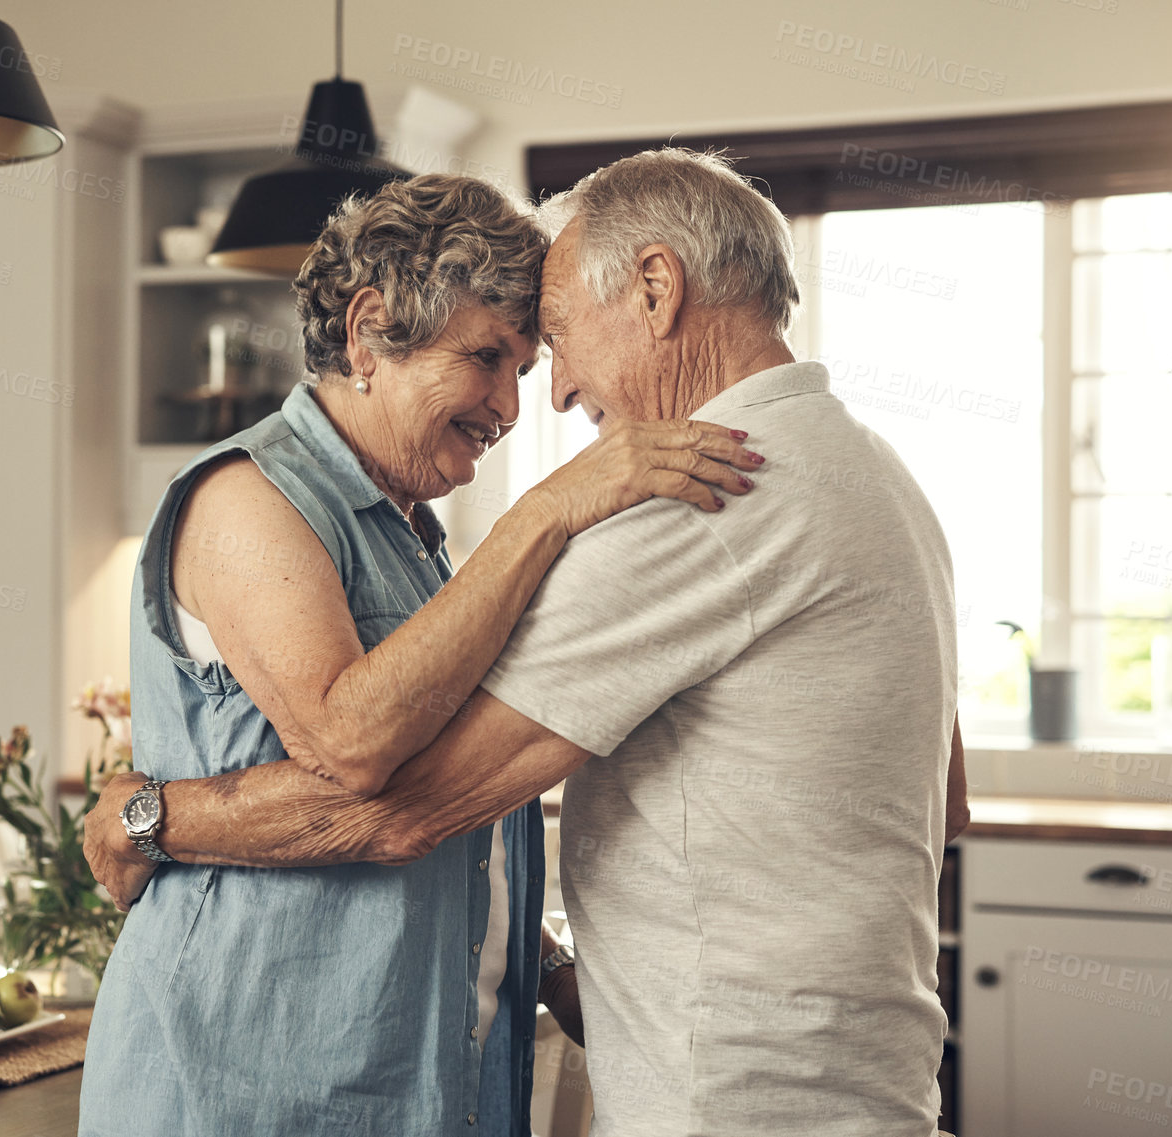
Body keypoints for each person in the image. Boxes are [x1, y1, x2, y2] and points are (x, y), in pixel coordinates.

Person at [89, 149, 972, 1137]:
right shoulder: (869, 474)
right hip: (255, 1066)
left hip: (731, 1092)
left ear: (653, 287)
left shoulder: (703, 495)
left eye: (542, 349)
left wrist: (151, 818)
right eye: (492, 357)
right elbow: (942, 801)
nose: (532, 403)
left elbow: (413, 808)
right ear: (367, 334)